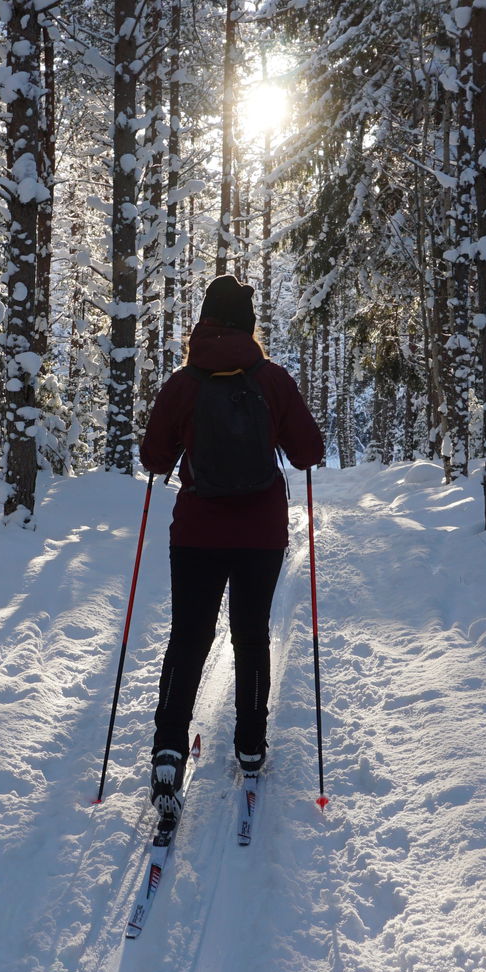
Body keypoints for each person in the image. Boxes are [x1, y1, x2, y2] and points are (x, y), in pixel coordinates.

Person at [138, 273, 325, 819]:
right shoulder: (272, 380)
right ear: (247, 323)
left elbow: (153, 459)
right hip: (260, 535)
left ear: (204, 322)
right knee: (250, 635)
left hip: (196, 532)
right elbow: (309, 452)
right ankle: (249, 744)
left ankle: (169, 746)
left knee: (189, 637)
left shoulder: (183, 383)